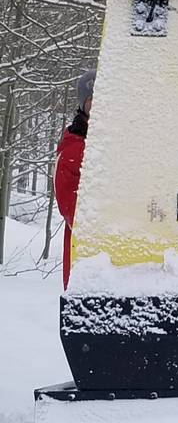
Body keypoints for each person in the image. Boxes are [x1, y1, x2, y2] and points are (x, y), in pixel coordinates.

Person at [55, 69, 95, 289]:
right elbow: (71, 208)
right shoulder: (73, 147)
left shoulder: (110, 139)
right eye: (91, 99)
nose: (96, 103)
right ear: (82, 103)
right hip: (86, 250)